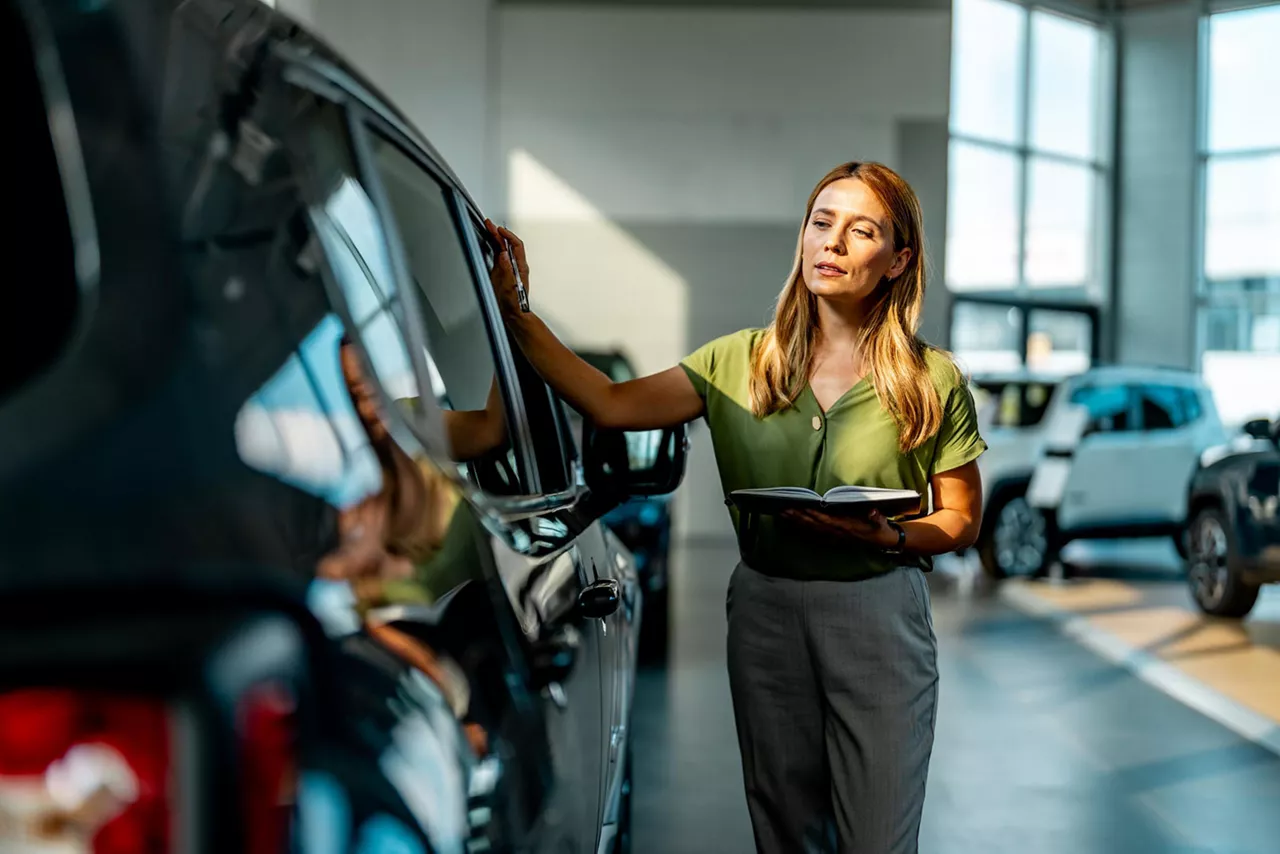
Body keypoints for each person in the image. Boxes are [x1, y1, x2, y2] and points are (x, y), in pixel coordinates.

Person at [483, 161, 987, 854]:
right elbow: (610, 402)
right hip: (765, 609)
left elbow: (961, 517)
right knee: (783, 832)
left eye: (861, 230)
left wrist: (891, 537)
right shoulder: (737, 362)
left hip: (879, 610)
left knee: (878, 839)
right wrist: (516, 314)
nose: (832, 243)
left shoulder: (931, 380)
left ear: (898, 260)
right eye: (821, 223)